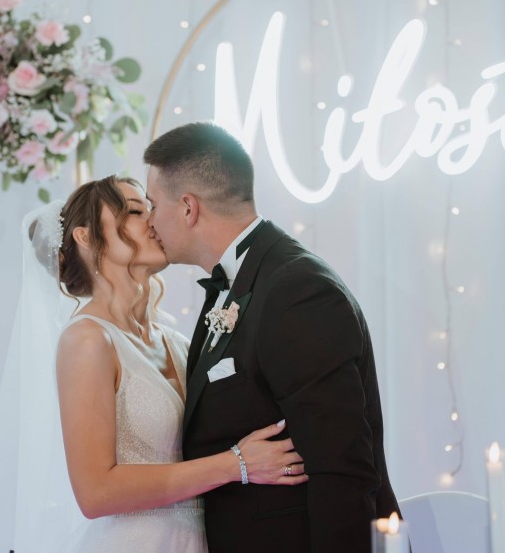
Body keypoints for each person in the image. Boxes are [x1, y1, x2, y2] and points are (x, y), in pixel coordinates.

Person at [0, 175, 306, 553]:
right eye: (134, 210)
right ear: (85, 237)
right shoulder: (87, 341)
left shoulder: (177, 342)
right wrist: (235, 465)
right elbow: (95, 493)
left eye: (150, 208)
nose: (152, 219)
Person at [144, 122, 404, 552]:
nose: (150, 221)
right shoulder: (242, 281)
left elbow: (342, 469)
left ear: (188, 208)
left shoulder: (297, 290)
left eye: (153, 205)